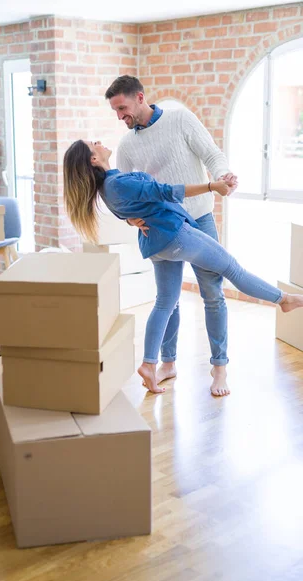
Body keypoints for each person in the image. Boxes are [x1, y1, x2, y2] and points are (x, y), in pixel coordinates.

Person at [63, 139, 303, 394]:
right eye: (93, 144)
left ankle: (149, 363)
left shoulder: (106, 188)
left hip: (156, 245)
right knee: (232, 269)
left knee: (165, 301)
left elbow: (131, 209)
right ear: (93, 159)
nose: (98, 142)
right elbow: (168, 191)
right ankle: (283, 299)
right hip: (175, 235)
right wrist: (212, 186)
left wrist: (132, 219)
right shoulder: (118, 183)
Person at [105, 75, 237, 397]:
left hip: (200, 218)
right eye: (116, 112)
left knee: (212, 293)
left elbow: (211, 154)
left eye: (123, 108)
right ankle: (168, 362)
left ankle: (219, 368)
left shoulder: (180, 120)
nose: (121, 116)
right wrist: (130, 220)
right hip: (163, 228)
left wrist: (222, 175)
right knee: (169, 298)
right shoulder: (126, 147)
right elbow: (124, 194)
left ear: (139, 97)